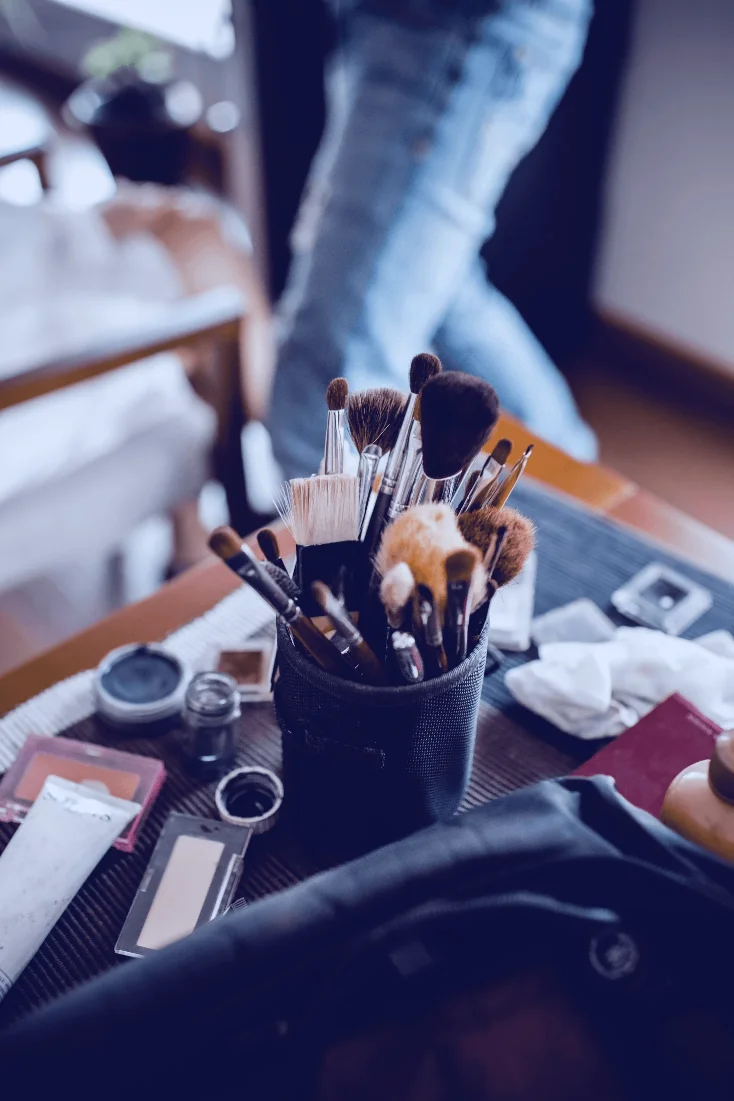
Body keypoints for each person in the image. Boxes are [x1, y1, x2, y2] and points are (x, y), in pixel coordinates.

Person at [268, 0, 598, 480]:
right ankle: (576, 483)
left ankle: (341, 553)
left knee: (323, 391)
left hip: (447, 21)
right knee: (438, 290)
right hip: (398, 23)